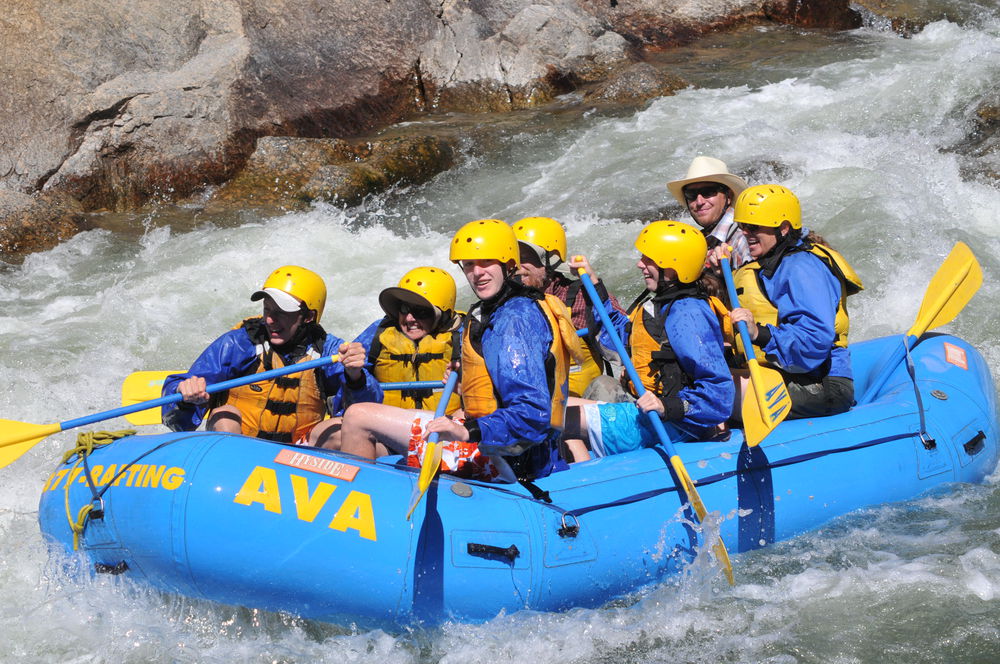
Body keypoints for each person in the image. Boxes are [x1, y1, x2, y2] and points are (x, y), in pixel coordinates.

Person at [340, 219, 583, 483]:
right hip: (501, 444)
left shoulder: (514, 319)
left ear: (510, 264)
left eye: (486, 262)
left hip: (507, 459)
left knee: (357, 416)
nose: (477, 273)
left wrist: (467, 432)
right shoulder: (497, 309)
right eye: (469, 264)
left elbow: (532, 414)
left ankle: (359, 500)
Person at [563, 221, 735, 458]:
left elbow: (719, 394)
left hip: (677, 426)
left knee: (557, 420)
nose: (639, 264)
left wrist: (667, 407)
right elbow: (620, 337)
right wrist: (593, 283)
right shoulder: (661, 305)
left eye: (649, 259)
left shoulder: (688, 314)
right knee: (554, 408)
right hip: (651, 411)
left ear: (673, 267)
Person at [162, 265, 381, 447]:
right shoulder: (238, 344)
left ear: (308, 317)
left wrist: (356, 377)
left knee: (338, 430)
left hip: (300, 452)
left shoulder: (329, 351)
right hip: (241, 443)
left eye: (282, 313)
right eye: (268, 309)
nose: (270, 320)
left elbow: (365, 414)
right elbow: (178, 422)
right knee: (224, 415)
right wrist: (185, 394)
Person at [728, 184, 863, 419]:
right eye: (742, 226)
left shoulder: (801, 268)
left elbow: (814, 340)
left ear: (783, 228)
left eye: (753, 227)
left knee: (715, 396)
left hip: (820, 384)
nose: (745, 233)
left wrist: (758, 334)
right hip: (788, 374)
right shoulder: (774, 263)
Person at [511, 216, 625, 397]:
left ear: (550, 260)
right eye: (513, 258)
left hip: (582, 405)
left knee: (606, 385)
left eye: (525, 258)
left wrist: (595, 286)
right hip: (532, 403)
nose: (517, 266)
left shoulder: (581, 297)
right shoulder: (507, 305)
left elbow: (624, 342)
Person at [354, 266, 462, 415]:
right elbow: (347, 386)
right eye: (404, 308)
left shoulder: (465, 336)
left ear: (442, 314)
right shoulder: (378, 332)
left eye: (421, 311)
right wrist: (354, 375)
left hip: (447, 421)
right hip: (389, 422)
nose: (410, 318)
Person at [666, 155, 751, 268]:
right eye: (691, 194)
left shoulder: (742, 238)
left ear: (729, 196)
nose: (699, 202)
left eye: (708, 192)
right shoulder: (703, 241)